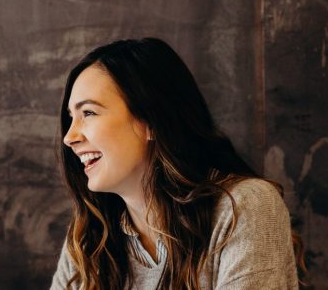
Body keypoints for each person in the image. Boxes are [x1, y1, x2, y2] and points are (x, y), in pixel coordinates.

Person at [51, 38, 305, 289]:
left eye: (89, 113)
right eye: (71, 117)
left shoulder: (243, 208)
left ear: (151, 121)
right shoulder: (90, 237)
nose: (69, 137)